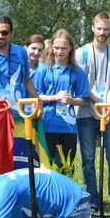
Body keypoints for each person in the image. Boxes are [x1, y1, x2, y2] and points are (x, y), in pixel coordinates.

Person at [75, 12, 110, 214]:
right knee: (88, 158)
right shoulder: (81, 53)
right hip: (86, 112)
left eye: (106, 29)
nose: (102, 32)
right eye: (99, 28)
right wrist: (98, 103)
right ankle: (92, 200)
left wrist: (107, 103)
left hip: (109, 113)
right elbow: (82, 85)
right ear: (92, 28)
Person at [31, 29, 88, 167]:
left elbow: (82, 98)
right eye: (56, 48)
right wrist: (54, 97)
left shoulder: (77, 71)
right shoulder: (43, 70)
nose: (59, 52)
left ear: (70, 48)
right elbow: (35, 95)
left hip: (68, 126)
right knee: (45, 165)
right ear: (51, 48)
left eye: (63, 48)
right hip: (47, 124)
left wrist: (71, 100)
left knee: (67, 166)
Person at [0, 15, 38, 114]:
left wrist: (38, 101)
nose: (0, 36)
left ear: (11, 34)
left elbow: (27, 80)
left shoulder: (21, 52)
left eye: (5, 33)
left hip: (18, 112)